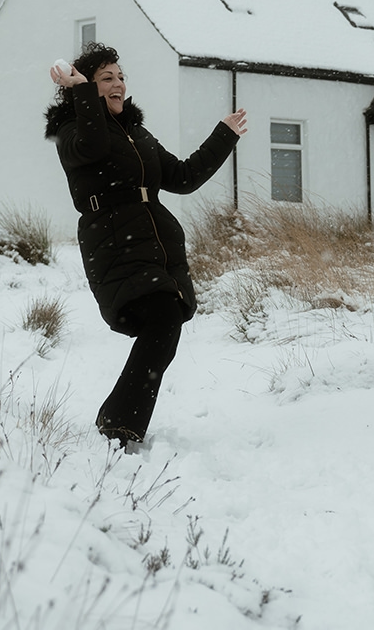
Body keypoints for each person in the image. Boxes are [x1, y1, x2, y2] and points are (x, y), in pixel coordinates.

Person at [45, 42, 246, 450]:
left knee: (166, 321)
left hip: (157, 248)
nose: (118, 84)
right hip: (114, 244)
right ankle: (118, 424)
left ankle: (117, 419)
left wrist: (224, 135)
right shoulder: (73, 131)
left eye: (120, 76)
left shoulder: (137, 133)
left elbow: (185, 177)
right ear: (83, 86)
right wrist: (82, 93)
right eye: (106, 78)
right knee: (162, 319)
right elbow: (94, 145)